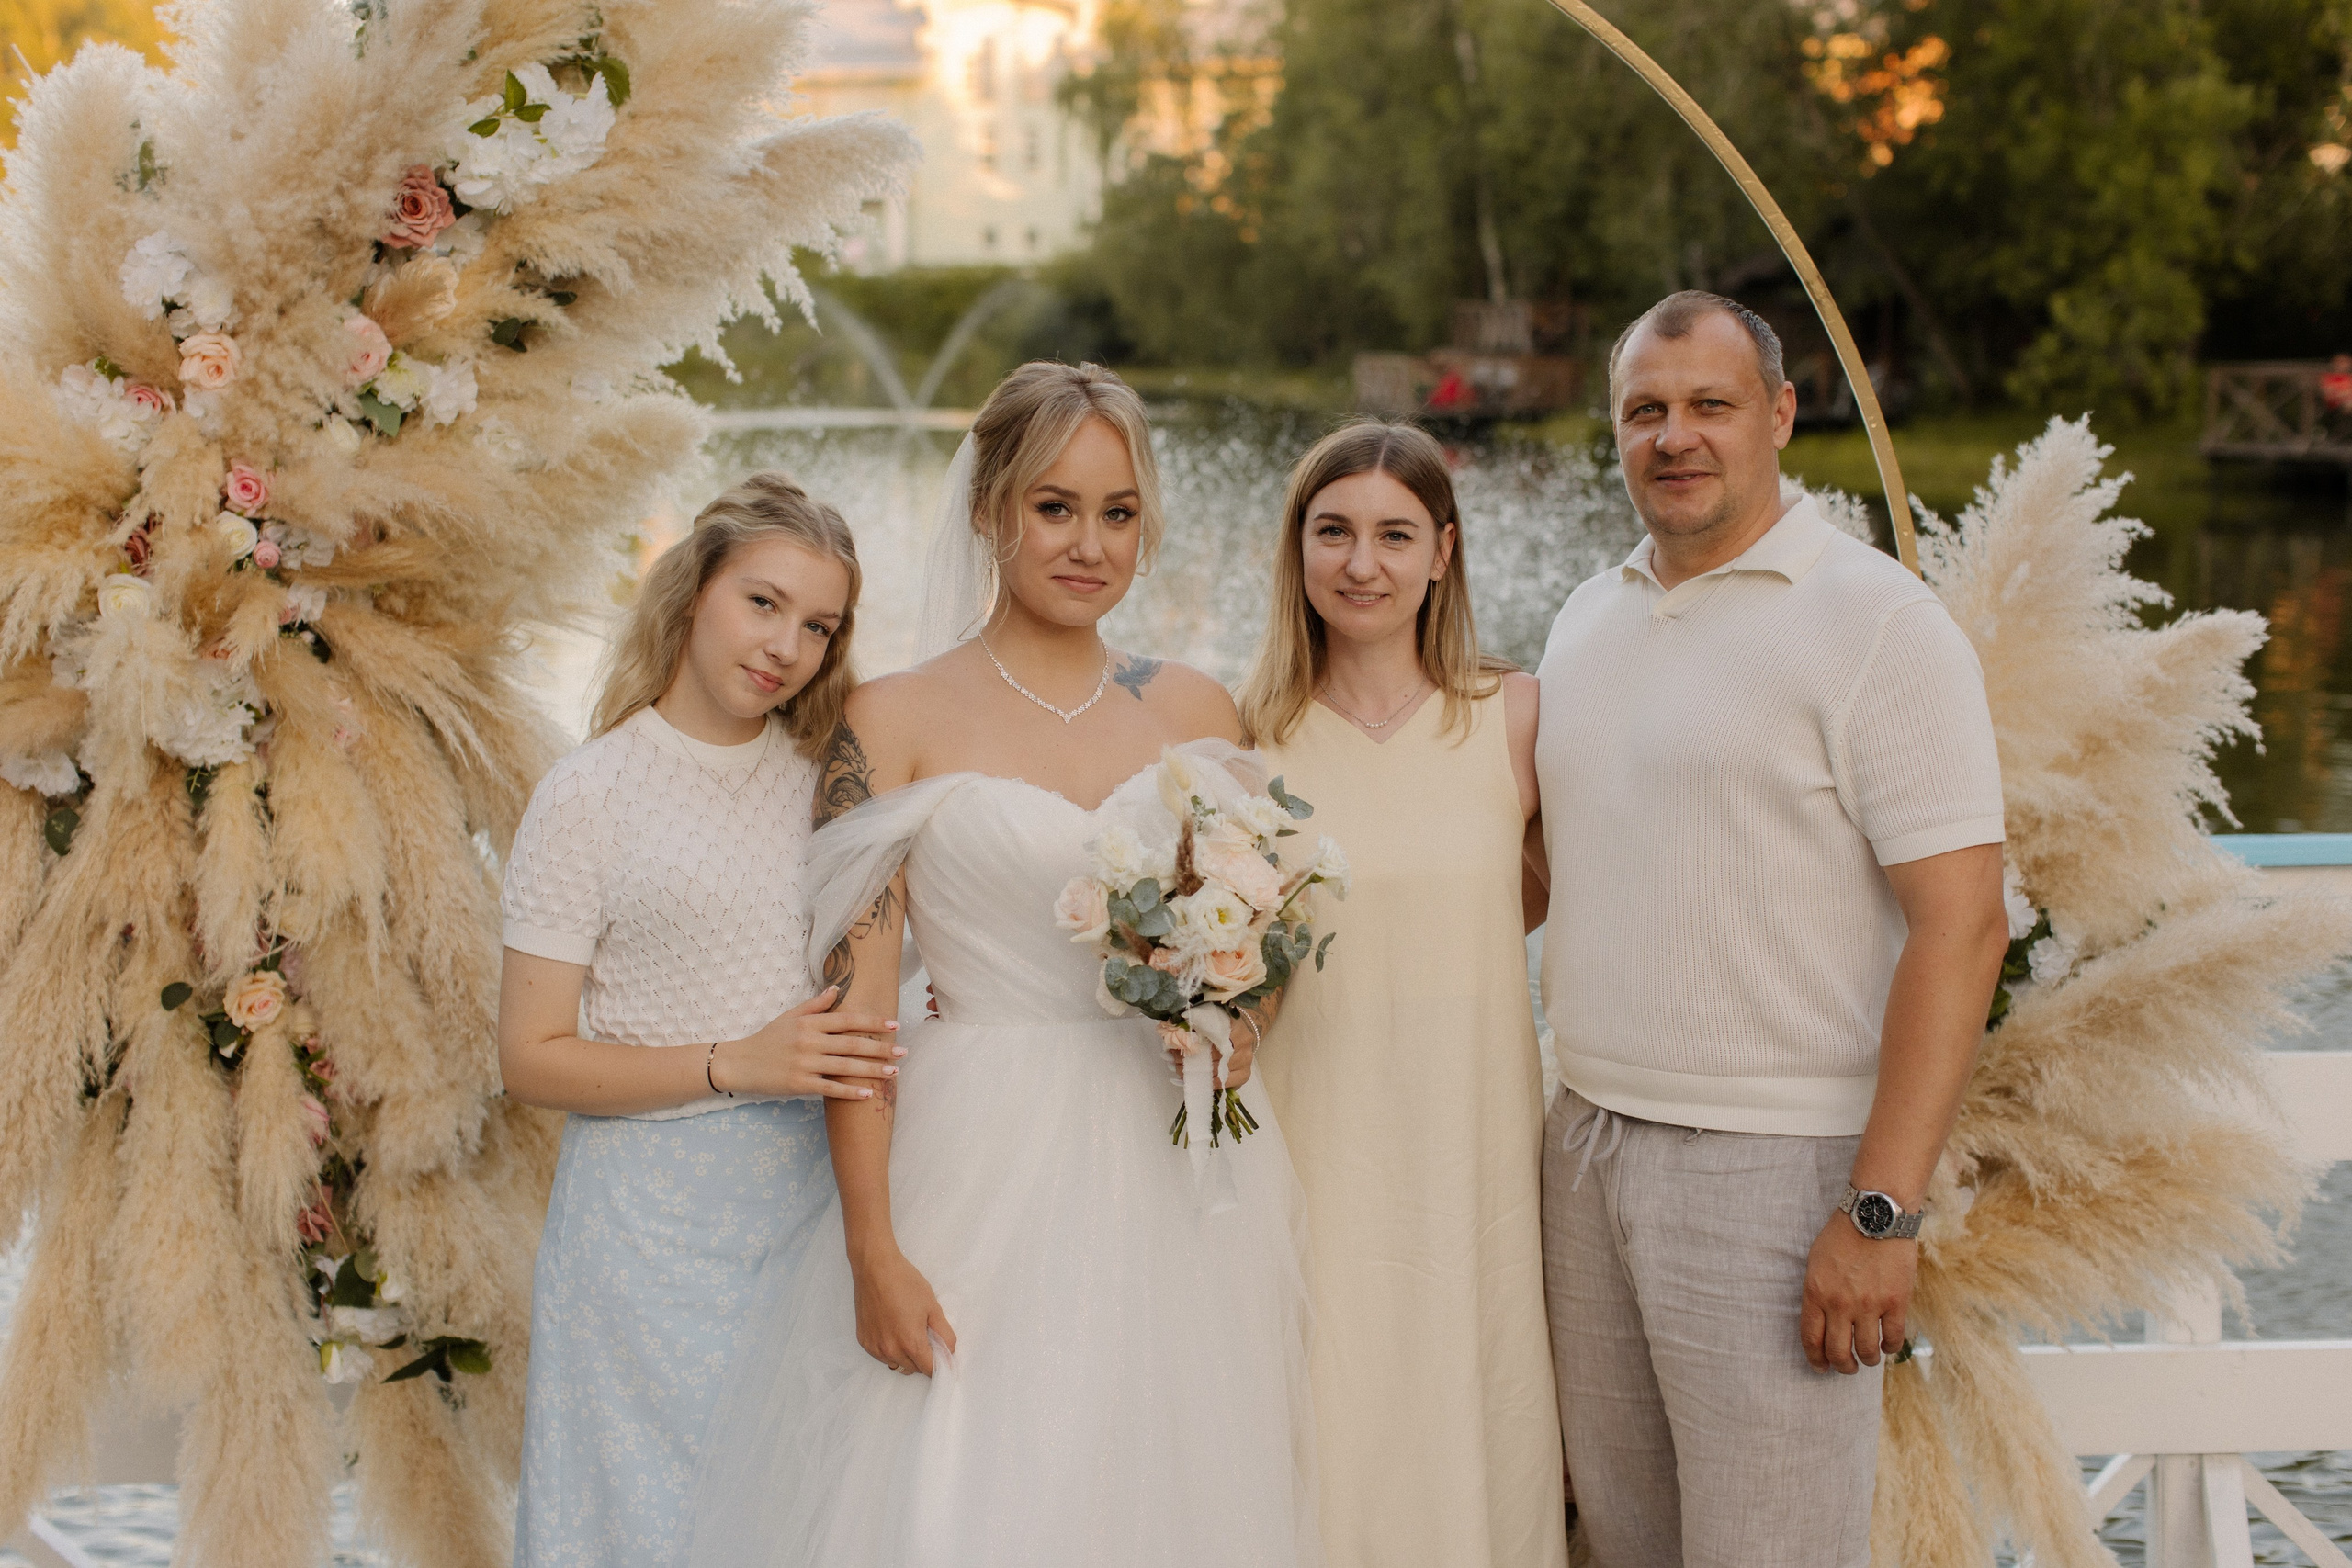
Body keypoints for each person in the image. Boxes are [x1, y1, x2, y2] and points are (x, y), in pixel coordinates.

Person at [683, 362, 1320, 1568]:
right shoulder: (894, 717)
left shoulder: (1194, 706)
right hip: (978, 1159)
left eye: (1118, 511)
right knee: (978, 1494)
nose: (1089, 544)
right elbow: (858, 1006)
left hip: (1176, 1169)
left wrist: (1236, 1022)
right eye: (1055, 506)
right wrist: (874, 1247)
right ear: (990, 508)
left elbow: (1253, 937)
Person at [1534, 292, 2010, 1567]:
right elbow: (1546, 865)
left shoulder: (1878, 623)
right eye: (1646, 410)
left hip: (1772, 1167)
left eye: (1709, 405)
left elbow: (1963, 925)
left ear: (1783, 415)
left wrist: (1880, 1210)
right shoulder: (1590, 616)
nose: (1674, 436)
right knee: (1620, 1544)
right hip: (1581, 1144)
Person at [497, 474, 903, 1567]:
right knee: (642, 1531)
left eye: (818, 626)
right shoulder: (588, 794)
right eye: (762, 603)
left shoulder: (832, 788)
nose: (785, 647)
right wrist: (737, 1063)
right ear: (692, 596)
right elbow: (530, 1059)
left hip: (805, 1221)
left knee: (795, 1525)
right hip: (639, 1244)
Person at [1238, 422, 1565, 1568]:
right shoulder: (1245, 738)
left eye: (1392, 535)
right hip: (1310, 1143)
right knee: (1322, 1423)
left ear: (1444, 552)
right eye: (1333, 532)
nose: (1360, 564)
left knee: (1471, 1419)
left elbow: (1539, 898)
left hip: (1466, 1149)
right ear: (1299, 549)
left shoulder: (1516, 719)